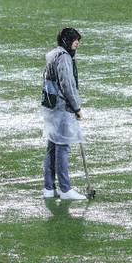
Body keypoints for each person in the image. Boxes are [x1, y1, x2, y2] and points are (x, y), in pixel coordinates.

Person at [41, 27, 88, 201]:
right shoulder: (64, 58)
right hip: (61, 108)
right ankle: (65, 188)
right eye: (75, 40)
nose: (77, 43)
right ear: (67, 41)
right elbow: (68, 84)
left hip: (50, 106)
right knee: (63, 146)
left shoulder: (53, 55)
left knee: (52, 146)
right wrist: (77, 108)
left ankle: (49, 187)